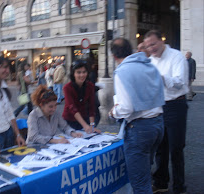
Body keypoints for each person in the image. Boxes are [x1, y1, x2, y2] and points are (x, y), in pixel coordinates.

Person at [109, 38, 165, 194]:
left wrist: (113, 112)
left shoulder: (122, 71)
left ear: (113, 56)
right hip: (158, 124)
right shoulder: (149, 65)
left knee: (140, 183)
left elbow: (126, 108)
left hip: (140, 129)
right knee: (145, 174)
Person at [144, 30, 189, 194]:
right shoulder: (149, 61)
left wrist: (161, 77)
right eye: (149, 46)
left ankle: (179, 187)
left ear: (161, 41)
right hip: (158, 106)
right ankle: (161, 182)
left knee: (176, 148)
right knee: (160, 148)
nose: (152, 48)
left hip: (176, 105)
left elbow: (179, 83)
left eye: (154, 44)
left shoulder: (176, 56)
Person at [62, 60, 101, 134]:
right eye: (78, 72)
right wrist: (85, 126)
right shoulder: (67, 88)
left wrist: (92, 126)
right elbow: (72, 108)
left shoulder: (90, 86)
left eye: (84, 72)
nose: (82, 75)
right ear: (73, 74)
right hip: (69, 121)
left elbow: (91, 107)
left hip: (84, 118)